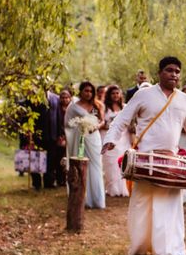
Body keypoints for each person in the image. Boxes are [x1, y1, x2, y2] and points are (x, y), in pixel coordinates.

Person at [102, 57, 186, 255]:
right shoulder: (144, 95)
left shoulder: (185, 100)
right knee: (143, 204)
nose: (174, 74)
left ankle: (171, 250)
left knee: (169, 206)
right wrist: (110, 139)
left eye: (177, 71)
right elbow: (122, 119)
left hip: (171, 163)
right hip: (145, 161)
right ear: (159, 72)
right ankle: (141, 247)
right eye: (169, 70)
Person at [64, 81, 106, 209]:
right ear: (80, 92)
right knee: (81, 166)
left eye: (90, 91)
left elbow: (102, 121)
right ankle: (84, 198)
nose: (88, 94)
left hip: (94, 138)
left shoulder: (95, 105)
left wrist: (95, 127)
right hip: (79, 139)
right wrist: (81, 128)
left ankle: (97, 199)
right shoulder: (73, 107)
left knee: (96, 166)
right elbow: (67, 124)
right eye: (86, 91)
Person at [101, 85, 130, 197]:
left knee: (122, 162)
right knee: (110, 163)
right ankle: (112, 189)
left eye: (117, 93)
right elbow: (96, 118)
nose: (115, 95)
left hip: (123, 138)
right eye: (113, 93)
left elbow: (130, 122)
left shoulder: (125, 107)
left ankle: (123, 189)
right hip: (108, 137)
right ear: (109, 95)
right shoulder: (103, 107)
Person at [55, 89, 72, 186]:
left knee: (69, 158)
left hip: (70, 136)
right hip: (59, 136)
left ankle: (68, 178)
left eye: (67, 97)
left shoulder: (72, 109)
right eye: (62, 97)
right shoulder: (57, 109)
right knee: (59, 158)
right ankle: (59, 179)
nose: (65, 99)